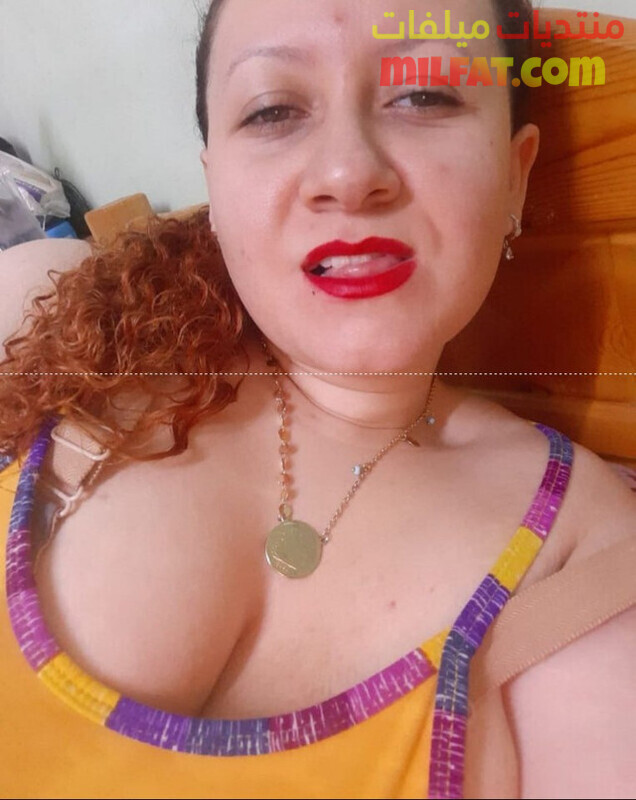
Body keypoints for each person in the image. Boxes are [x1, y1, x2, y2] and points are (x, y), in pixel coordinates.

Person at [0, 1, 634, 797]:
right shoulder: (53, 311)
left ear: (516, 173)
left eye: (424, 95)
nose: (347, 174)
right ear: (215, 181)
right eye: (273, 110)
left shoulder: (583, 546)